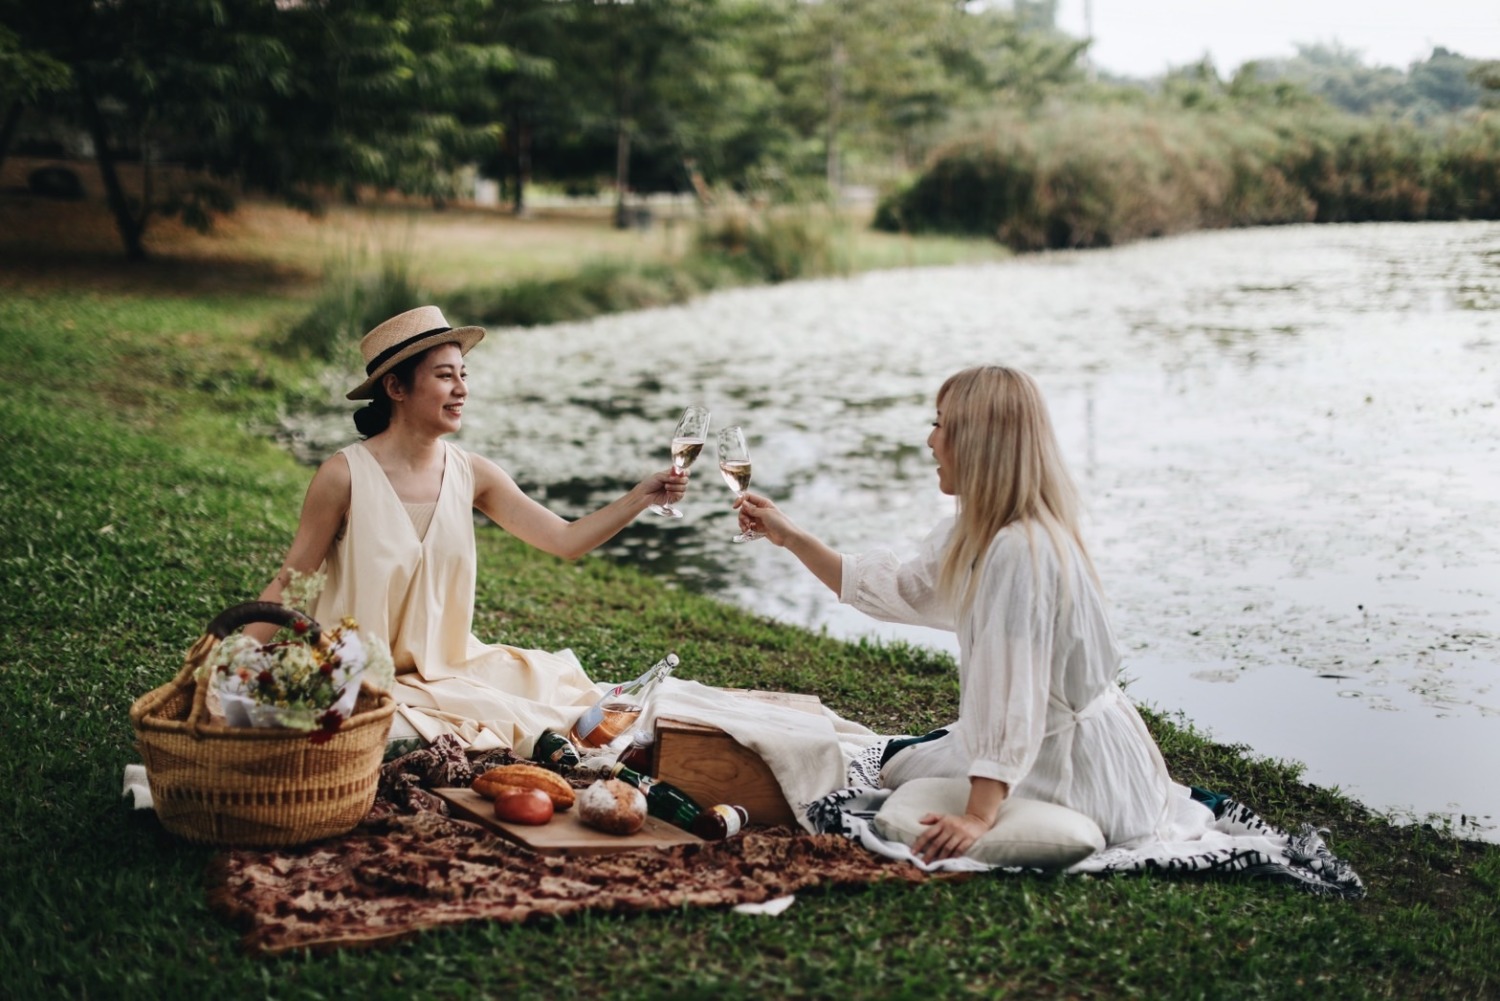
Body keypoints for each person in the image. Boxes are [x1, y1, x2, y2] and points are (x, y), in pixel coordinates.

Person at [734, 365, 1194, 862]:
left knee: (890, 768)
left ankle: (994, 792)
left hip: (1069, 767)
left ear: (978, 441)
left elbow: (1011, 696)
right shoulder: (982, 533)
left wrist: (978, 816)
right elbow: (900, 591)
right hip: (1038, 740)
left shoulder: (1020, 551)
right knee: (897, 764)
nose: (931, 440)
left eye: (940, 424)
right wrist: (791, 536)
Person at [252, 305, 689, 755]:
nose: (462, 389)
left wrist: (641, 497)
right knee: (519, 723)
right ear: (396, 386)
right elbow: (292, 583)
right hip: (358, 672)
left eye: (464, 374)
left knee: (561, 696)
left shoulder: (472, 473)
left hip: (449, 667)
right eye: (445, 376)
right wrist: (221, 661)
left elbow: (565, 540)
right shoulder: (343, 476)